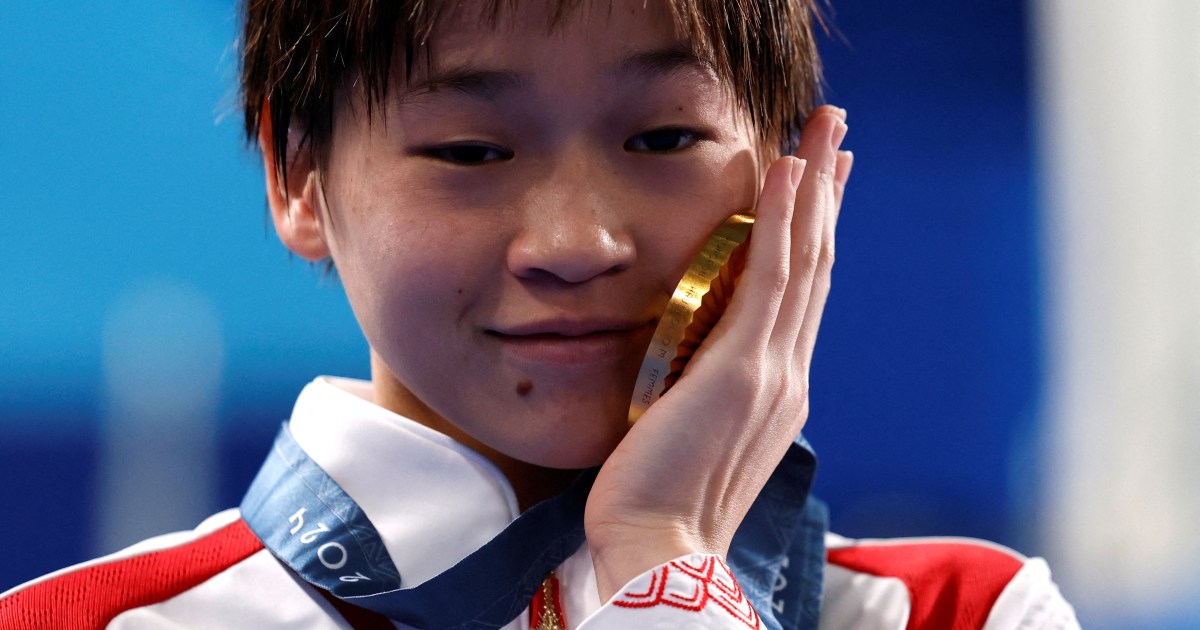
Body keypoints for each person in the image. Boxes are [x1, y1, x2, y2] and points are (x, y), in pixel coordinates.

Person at [0, 0, 1079, 628]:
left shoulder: (967, 613)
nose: (576, 241)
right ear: (298, 177)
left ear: (792, 167)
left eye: (663, 139)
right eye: (471, 151)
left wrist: (664, 557)